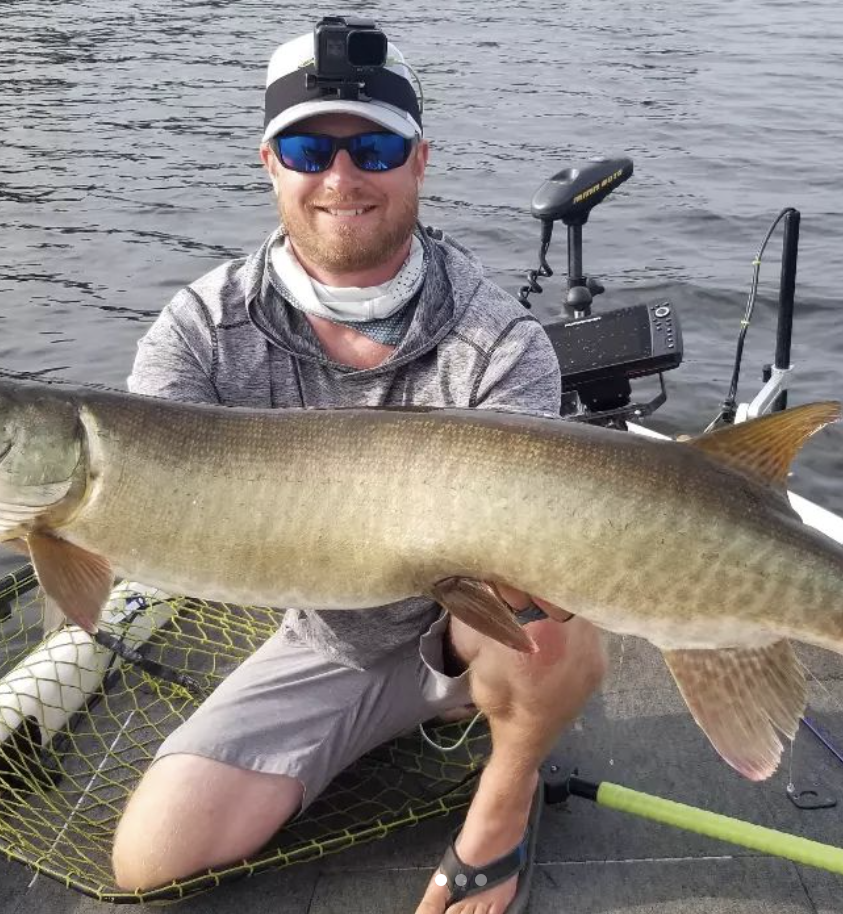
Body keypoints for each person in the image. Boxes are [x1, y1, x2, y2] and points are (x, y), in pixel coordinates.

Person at [109, 23, 606, 914]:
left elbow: (521, 571)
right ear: (271, 162)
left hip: (476, 623)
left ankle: (504, 799)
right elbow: (137, 487)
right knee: (151, 857)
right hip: (330, 640)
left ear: (419, 161)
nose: (341, 178)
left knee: (551, 595)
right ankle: (433, 717)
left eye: (373, 146)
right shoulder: (197, 330)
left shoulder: (501, 343)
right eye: (310, 147)